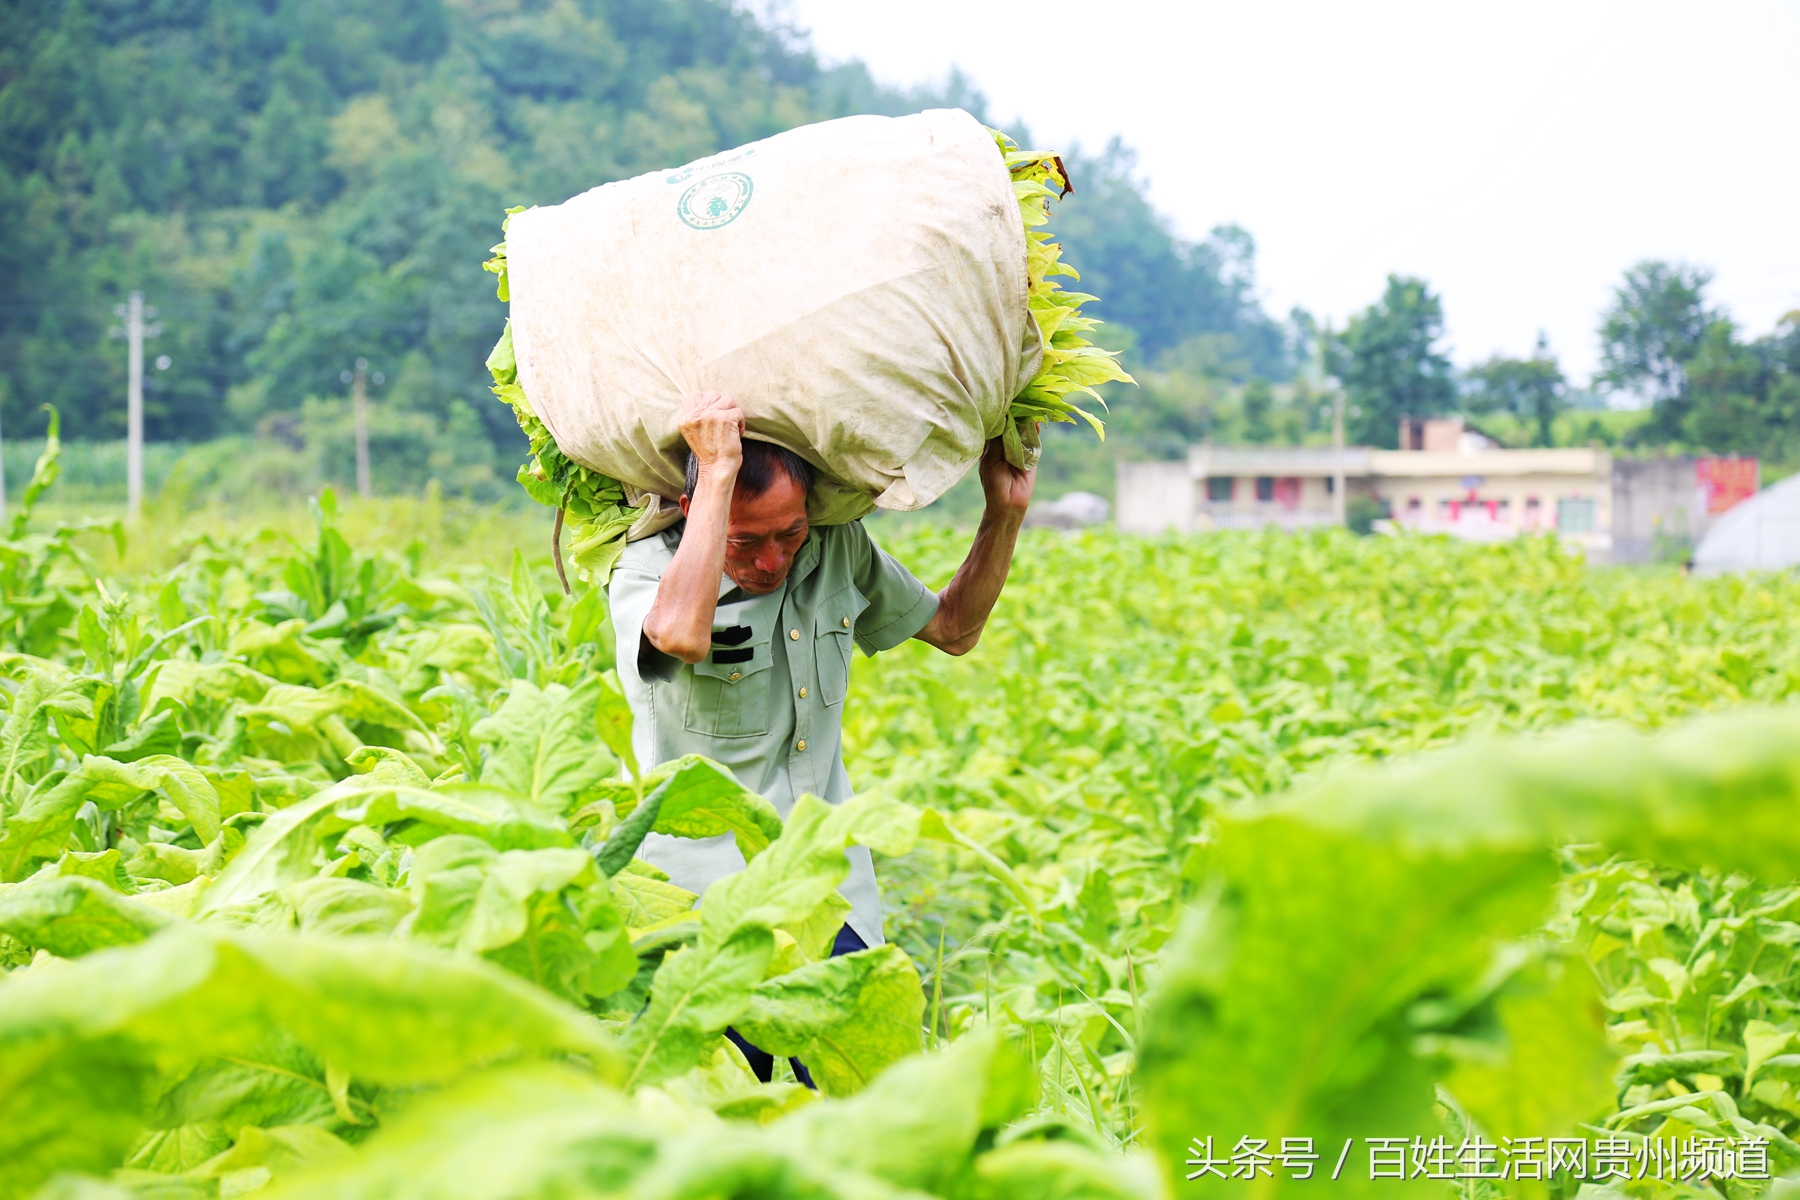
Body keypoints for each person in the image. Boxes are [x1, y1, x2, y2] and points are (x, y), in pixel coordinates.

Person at [607, 389, 1034, 1082]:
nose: (772, 560)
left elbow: (955, 629)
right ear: (695, 510)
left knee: (860, 1104)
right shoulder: (648, 571)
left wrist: (1004, 514)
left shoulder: (836, 548)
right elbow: (680, 634)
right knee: (718, 1115)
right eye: (746, 541)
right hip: (703, 906)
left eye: (790, 534)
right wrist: (717, 473)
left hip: (829, 892)